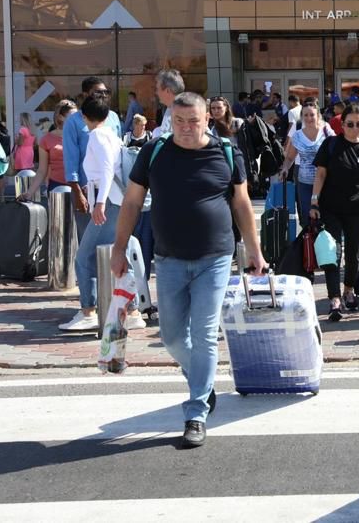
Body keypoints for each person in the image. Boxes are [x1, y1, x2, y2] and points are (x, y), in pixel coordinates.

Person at [111, 92, 264, 448]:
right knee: (172, 337)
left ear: (207, 119)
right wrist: (118, 248)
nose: (185, 128)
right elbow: (132, 202)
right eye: (179, 121)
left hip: (215, 257)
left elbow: (241, 203)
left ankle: (196, 413)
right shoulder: (154, 152)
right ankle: (202, 382)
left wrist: (255, 250)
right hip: (169, 259)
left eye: (193, 121)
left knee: (205, 334)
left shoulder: (227, 152)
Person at [59, 96, 133, 332]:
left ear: (84, 117)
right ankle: (131, 309)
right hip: (116, 202)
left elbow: (106, 170)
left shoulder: (97, 136)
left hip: (109, 202)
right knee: (119, 253)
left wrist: (99, 203)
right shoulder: (111, 134)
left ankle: (88, 311)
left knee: (84, 257)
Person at [309, 104, 359, 321]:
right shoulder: (331, 144)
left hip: (358, 210)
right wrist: (314, 202)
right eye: (350, 124)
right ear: (342, 124)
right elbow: (320, 174)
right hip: (330, 208)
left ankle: (349, 289)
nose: (354, 128)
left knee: (353, 254)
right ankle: (334, 298)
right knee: (332, 252)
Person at [63, 77, 121, 241]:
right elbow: (70, 159)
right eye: (98, 92)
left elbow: (117, 155)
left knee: (111, 242)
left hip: (114, 193)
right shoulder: (73, 121)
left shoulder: (113, 117)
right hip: (86, 191)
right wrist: (77, 192)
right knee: (87, 241)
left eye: (106, 92)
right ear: (85, 94)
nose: (103, 95)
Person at [280, 101, 334, 227]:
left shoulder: (326, 131)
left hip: (325, 182)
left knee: (326, 217)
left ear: (318, 115)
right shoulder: (297, 135)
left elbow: (337, 151)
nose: (309, 118)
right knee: (307, 219)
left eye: (312, 115)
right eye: (305, 115)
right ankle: (309, 240)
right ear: (302, 117)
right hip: (304, 183)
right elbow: (290, 158)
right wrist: (285, 168)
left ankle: (325, 240)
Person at [23, 100, 76, 201]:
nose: (77, 119)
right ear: (61, 117)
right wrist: (29, 193)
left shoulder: (82, 136)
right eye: (73, 116)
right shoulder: (46, 139)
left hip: (79, 185)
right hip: (56, 185)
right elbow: (42, 171)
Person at [154, 69, 184, 137]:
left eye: (158, 89)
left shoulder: (188, 112)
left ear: (167, 91)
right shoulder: (170, 108)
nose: (156, 93)